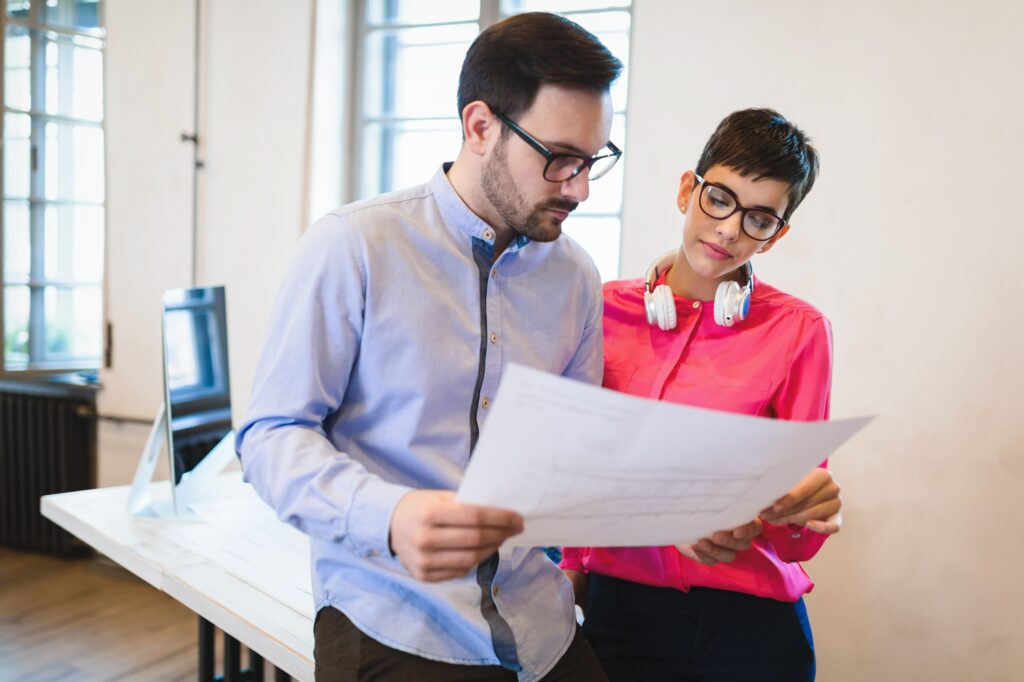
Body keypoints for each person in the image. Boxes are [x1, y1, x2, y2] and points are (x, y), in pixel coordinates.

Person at [236, 12, 624, 682]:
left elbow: (571, 450)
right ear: (480, 127)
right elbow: (270, 434)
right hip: (394, 618)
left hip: (541, 623)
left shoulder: (576, 277)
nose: (580, 187)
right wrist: (388, 515)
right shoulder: (354, 245)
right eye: (559, 157)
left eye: (593, 161)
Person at [561, 108, 841, 682]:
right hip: (620, 614)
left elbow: (796, 541)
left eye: (760, 218)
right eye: (720, 199)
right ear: (688, 189)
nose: (730, 229)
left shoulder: (800, 331)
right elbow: (569, 465)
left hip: (753, 626)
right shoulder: (597, 309)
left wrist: (796, 513)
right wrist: (570, 569)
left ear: (776, 234)